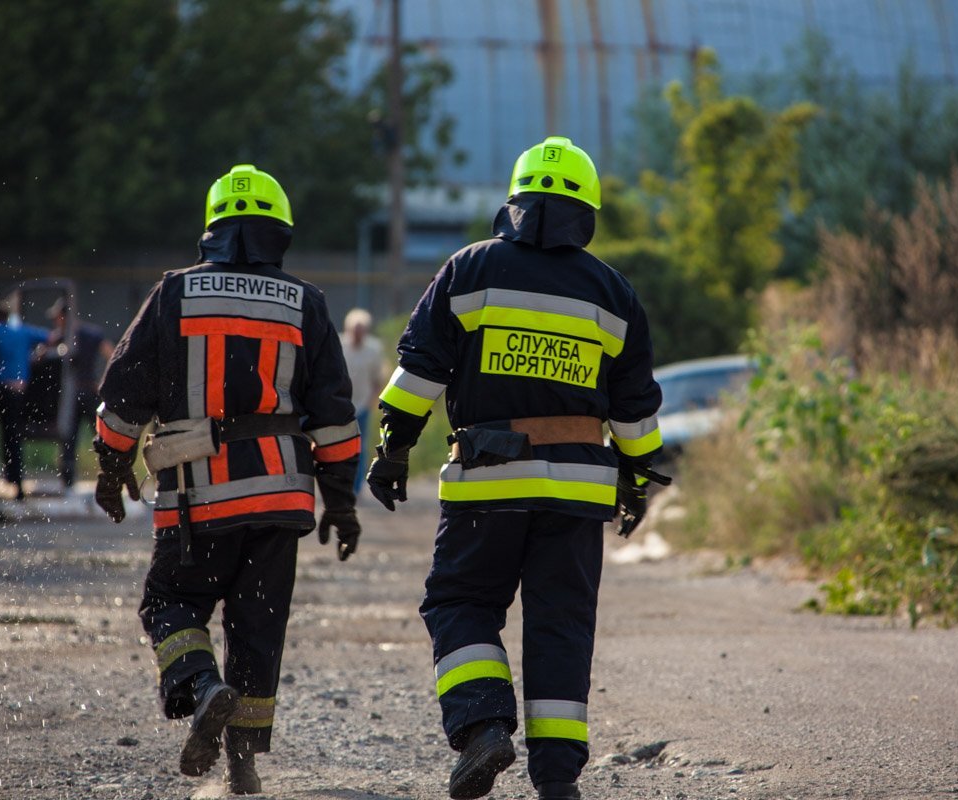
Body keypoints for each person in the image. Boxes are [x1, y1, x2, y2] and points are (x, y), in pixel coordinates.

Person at [366, 137, 663, 800]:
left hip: (488, 483)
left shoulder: (470, 269)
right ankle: (557, 784)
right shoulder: (614, 293)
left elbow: (418, 372)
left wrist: (393, 448)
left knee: (461, 602)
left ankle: (482, 729)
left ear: (515, 203)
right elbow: (638, 411)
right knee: (561, 625)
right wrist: (639, 481)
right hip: (581, 491)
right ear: (586, 210)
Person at [92, 164, 362, 793]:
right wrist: (341, 505)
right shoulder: (307, 303)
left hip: (197, 498)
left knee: (169, 603)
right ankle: (242, 764)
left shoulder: (174, 293)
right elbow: (335, 420)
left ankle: (202, 686)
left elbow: (123, 392)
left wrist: (111, 466)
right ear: (280, 231)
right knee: (258, 626)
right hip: (282, 500)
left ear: (213, 229)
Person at [43, 298, 114, 488]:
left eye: (57, 317)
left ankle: (68, 480)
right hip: (91, 391)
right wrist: (103, 383)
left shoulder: (60, 336)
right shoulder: (92, 333)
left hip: (71, 395)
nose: (56, 321)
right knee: (102, 436)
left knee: (69, 438)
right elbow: (112, 355)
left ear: (63, 316)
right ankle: (111, 474)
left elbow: (43, 354)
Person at [0, 302, 49, 500]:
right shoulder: (23, 332)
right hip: (17, 390)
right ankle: (17, 483)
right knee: (13, 435)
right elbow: (52, 337)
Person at [339, 308, 384, 493]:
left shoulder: (374, 349)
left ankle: (355, 488)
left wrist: (371, 402)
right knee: (338, 446)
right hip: (341, 404)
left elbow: (377, 379)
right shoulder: (339, 345)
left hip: (362, 405)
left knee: (360, 448)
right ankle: (340, 484)